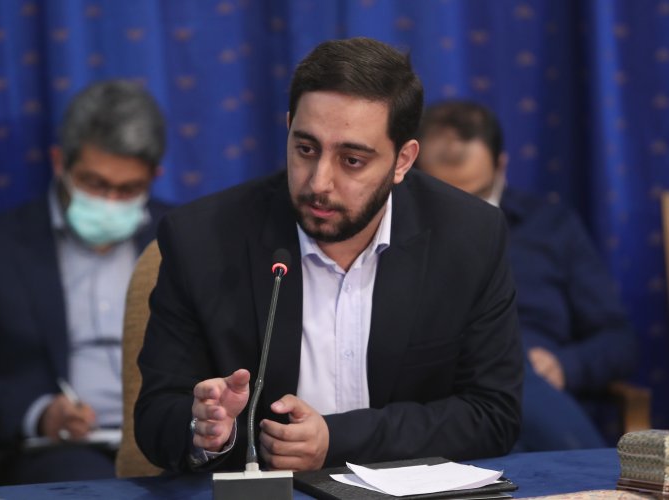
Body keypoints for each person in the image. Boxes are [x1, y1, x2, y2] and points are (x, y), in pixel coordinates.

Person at [135, 37, 523, 474]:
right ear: (289, 128)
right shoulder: (201, 240)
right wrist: (206, 430)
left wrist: (336, 441)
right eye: (306, 149)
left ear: (402, 160)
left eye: (352, 160)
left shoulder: (469, 236)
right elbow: (155, 417)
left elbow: (493, 414)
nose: (319, 182)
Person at [0, 80, 172, 484]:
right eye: (95, 183)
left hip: (172, 441)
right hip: (62, 452)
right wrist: (40, 412)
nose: (110, 202)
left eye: (129, 189)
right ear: (60, 163)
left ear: (154, 176)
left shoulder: (181, 235)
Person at [415, 99, 637, 450]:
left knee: (513, 367)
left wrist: (565, 365)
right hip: (444, 394)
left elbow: (618, 340)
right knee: (498, 363)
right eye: (445, 195)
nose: (462, 212)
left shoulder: (551, 226)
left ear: (501, 168)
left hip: (536, 396)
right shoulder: (395, 234)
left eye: (476, 195)